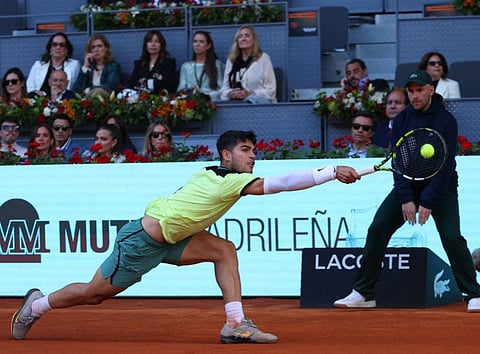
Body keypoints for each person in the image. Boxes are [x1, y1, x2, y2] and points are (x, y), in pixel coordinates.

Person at [11, 129, 360, 343]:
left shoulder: (215, 174)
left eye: (254, 150)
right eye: (245, 150)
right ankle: (37, 305)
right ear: (227, 155)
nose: (253, 155)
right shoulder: (227, 178)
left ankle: (235, 323)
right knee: (93, 295)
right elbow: (280, 184)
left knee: (224, 249)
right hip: (141, 243)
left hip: (177, 237)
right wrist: (330, 171)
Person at [333, 70, 480, 312]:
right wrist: (406, 198)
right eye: (410, 91)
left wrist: (428, 202)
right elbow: (398, 162)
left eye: (420, 90)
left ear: (431, 90)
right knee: (378, 228)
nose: (415, 95)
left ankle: (474, 293)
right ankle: (364, 292)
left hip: (440, 189)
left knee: (452, 237)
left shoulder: (446, 121)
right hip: (408, 185)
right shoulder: (401, 120)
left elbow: (445, 167)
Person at [220, 25, 276, 104]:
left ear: (254, 40)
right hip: (235, 103)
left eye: (247, 36)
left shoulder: (264, 59)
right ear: (237, 41)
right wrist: (230, 93)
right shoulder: (231, 59)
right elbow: (224, 89)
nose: (243, 39)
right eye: (240, 37)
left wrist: (250, 94)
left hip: (258, 104)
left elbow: (271, 90)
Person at [26, 32, 80, 97]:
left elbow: (76, 88)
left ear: (66, 50)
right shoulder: (38, 65)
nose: (58, 47)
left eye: (62, 45)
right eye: (54, 44)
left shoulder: (74, 65)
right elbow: (29, 88)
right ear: (50, 49)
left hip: (65, 102)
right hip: (41, 102)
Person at [177, 31, 224, 101]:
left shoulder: (217, 64)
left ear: (208, 46)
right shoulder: (186, 66)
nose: (197, 44)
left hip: (212, 103)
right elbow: (181, 89)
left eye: (201, 42)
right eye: (195, 41)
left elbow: (222, 89)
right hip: (190, 103)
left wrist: (208, 96)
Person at [128, 30, 177, 94]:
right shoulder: (139, 64)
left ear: (161, 45)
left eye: (156, 41)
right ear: (146, 45)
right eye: (150, 41)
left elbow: (167, 85)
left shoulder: (169, 63)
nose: (153, 44)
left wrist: (143, 82)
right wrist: (154, 82)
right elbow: (131, 84)